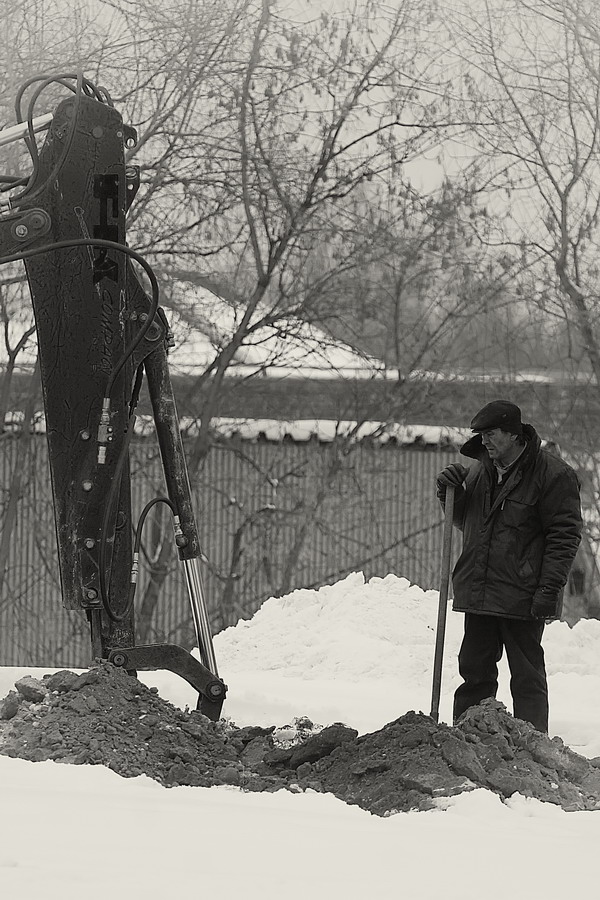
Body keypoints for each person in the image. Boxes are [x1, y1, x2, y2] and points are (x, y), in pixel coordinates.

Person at [436, 399, 582, 733]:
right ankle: (467, 738)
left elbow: (565, 537)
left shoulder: (553, 475)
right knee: (474, 671)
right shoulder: (480, 471)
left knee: (527, 677)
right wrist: (449, 494)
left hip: (523, 594)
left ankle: (533, 747)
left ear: (514, 435)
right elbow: (466, 522)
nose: (484, 441)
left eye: (491, 433)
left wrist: (549, 588)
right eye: (481, 435)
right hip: (480, 588)